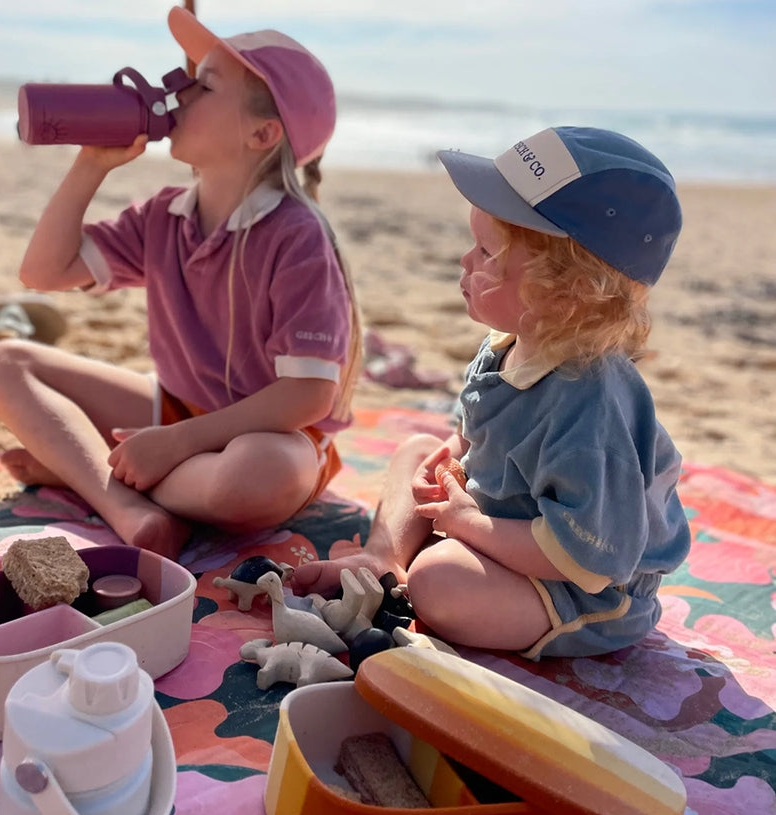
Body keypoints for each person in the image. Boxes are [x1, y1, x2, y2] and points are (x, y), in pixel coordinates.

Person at [292, 126, 691, 660]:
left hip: (584, 589)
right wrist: (455, 457)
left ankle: (422, 567)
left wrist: (469, 524)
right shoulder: (507, 345)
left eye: (485, 251)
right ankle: (383, 558)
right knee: (417, 449)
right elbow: (479, 433)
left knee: (438, 580)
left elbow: (594, 560)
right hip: (511, 521)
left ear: (566, 293)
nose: (464, 261)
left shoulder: (592, 407)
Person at [0, 8, 361, 559]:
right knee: (5, 363)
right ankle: (128, 506)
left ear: (261, 132)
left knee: (256, 476)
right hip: (179, 409)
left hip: (271, 435)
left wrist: (175, 444)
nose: (176, 92)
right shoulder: (164, 216)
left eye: (203, 85)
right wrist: (92, 165)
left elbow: (308, 394)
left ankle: (88, 472)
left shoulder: (297, 235)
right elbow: (44, 271)